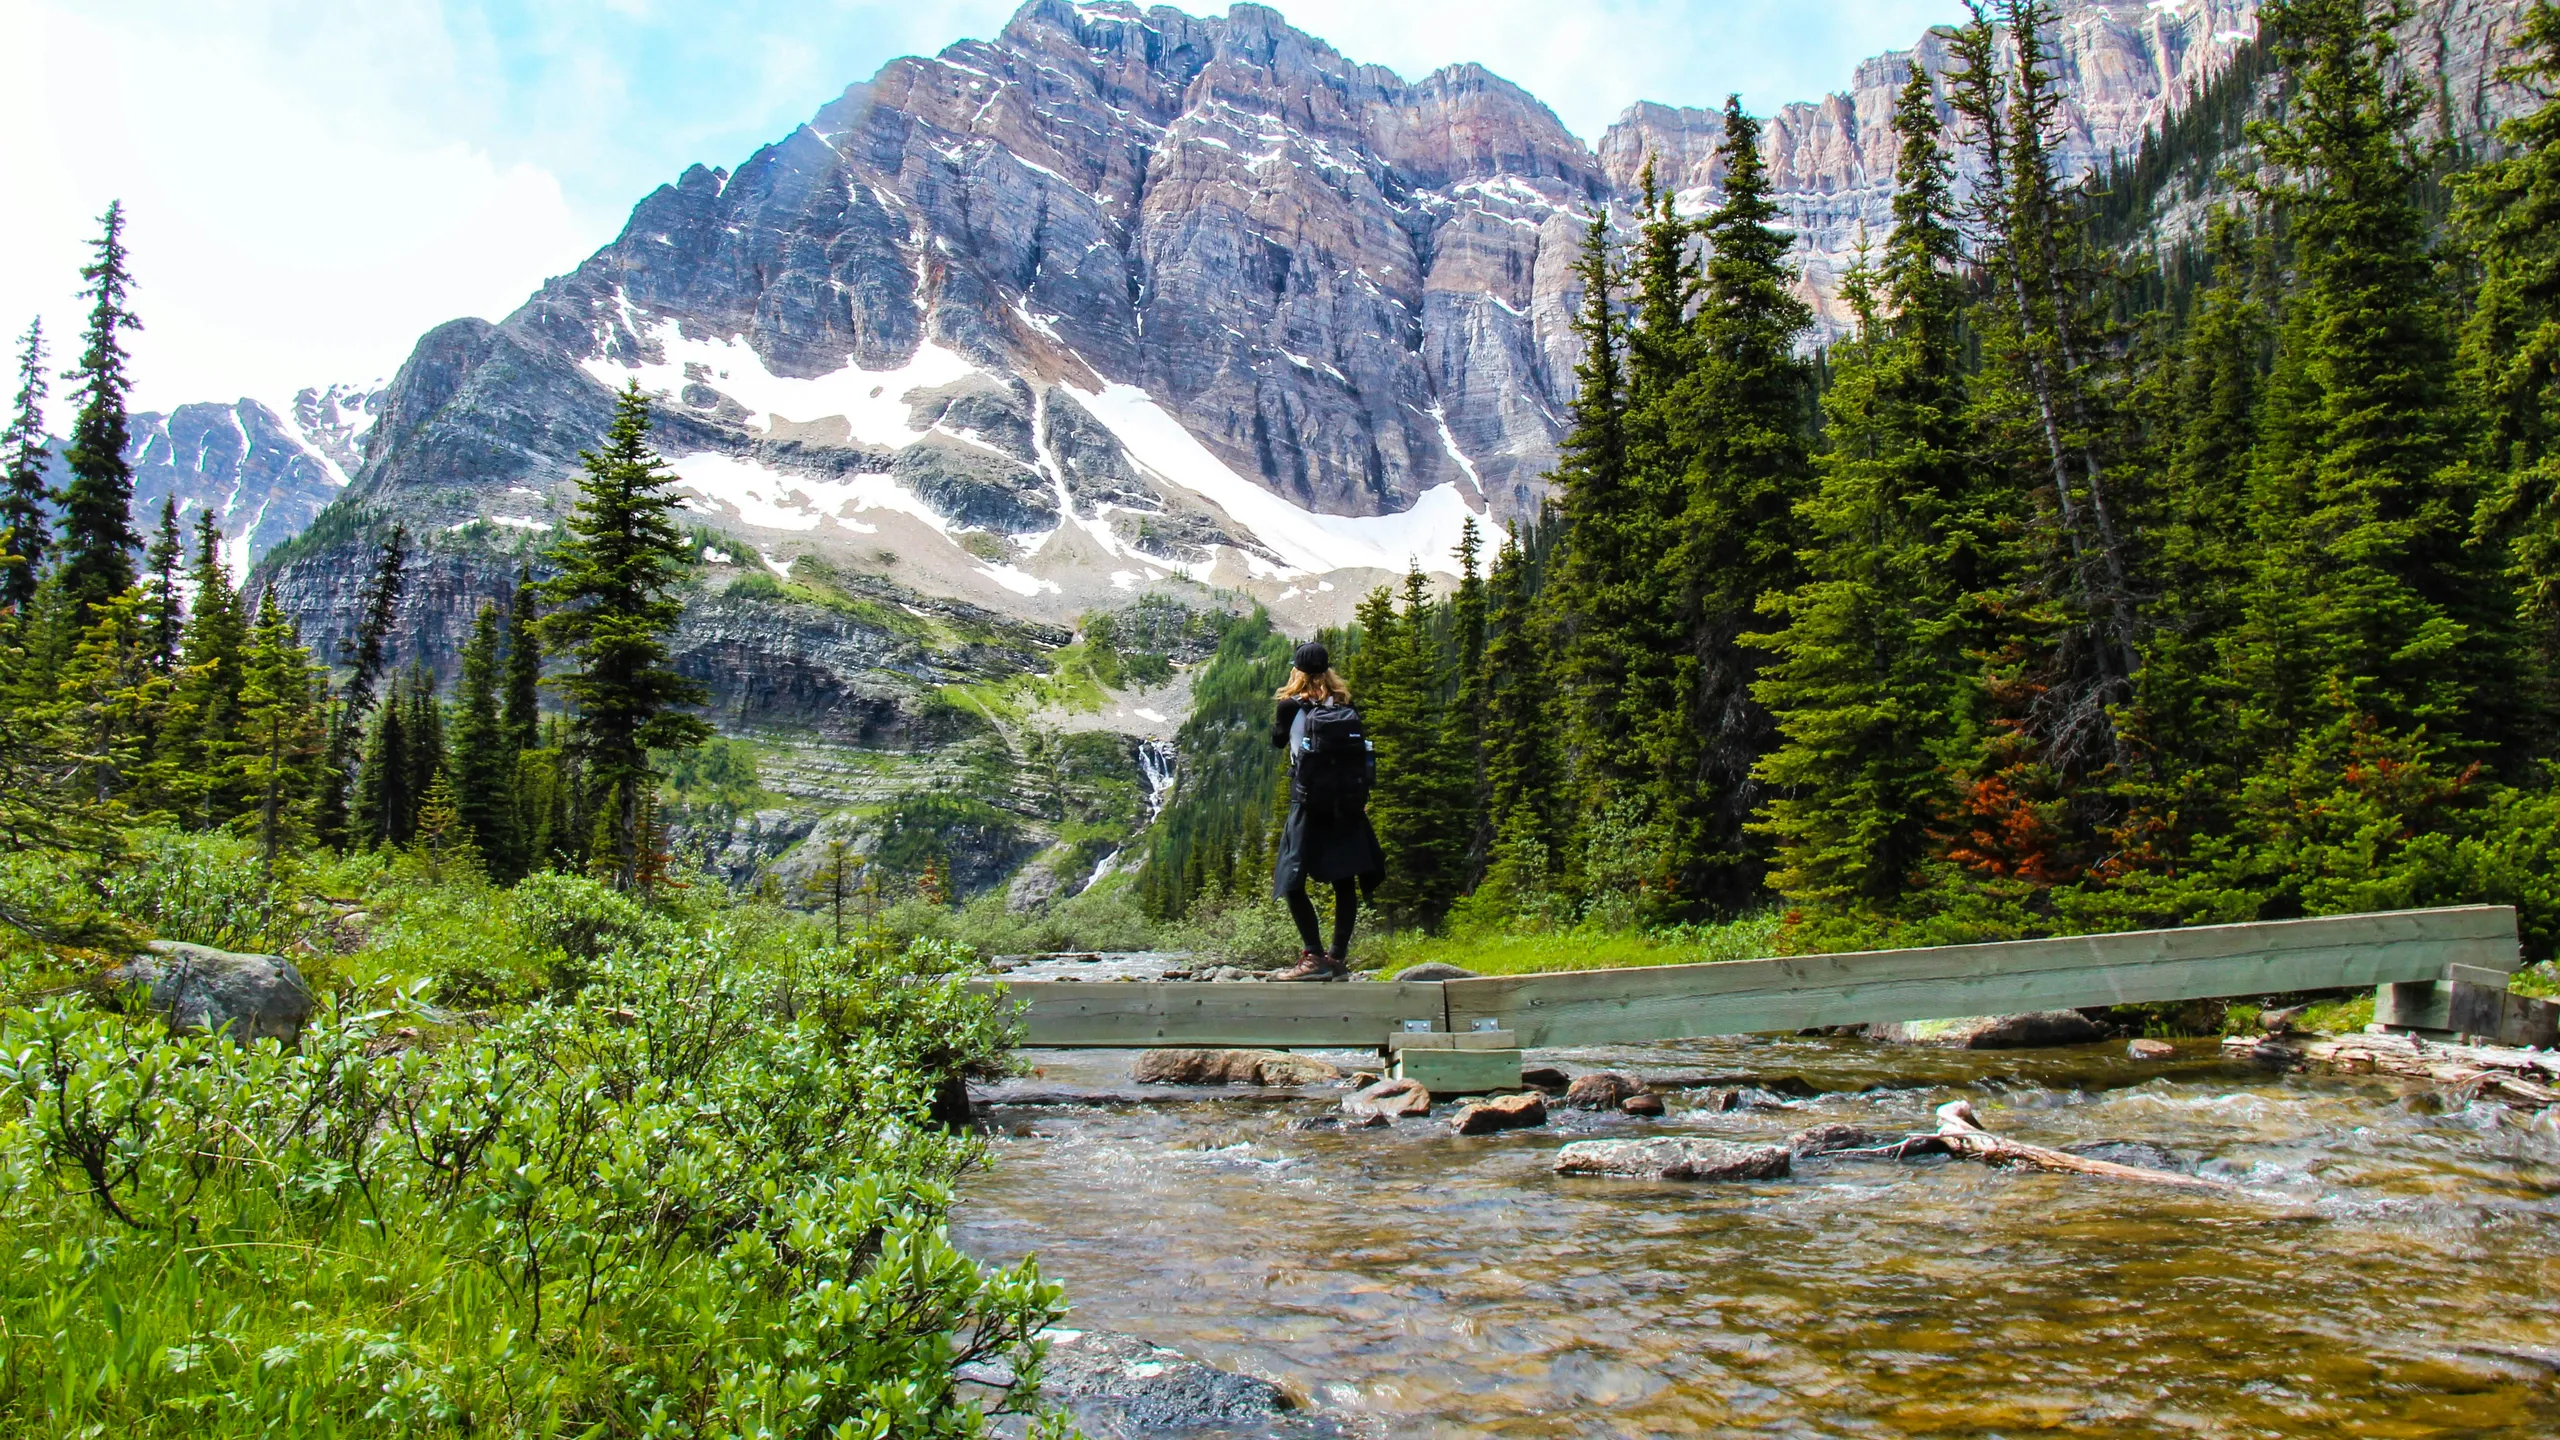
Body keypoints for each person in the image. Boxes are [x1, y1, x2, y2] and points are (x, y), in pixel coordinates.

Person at [1267, 641, 1384, 981]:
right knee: (1344, 880)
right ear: (1329, 670)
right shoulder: (1346, 703)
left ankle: (1312, 954)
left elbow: (1277, 741)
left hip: (1308, 803)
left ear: (1297, 671)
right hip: (1346, 805)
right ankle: (1337, 957)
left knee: (1291, 879)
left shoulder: (1290, 706)